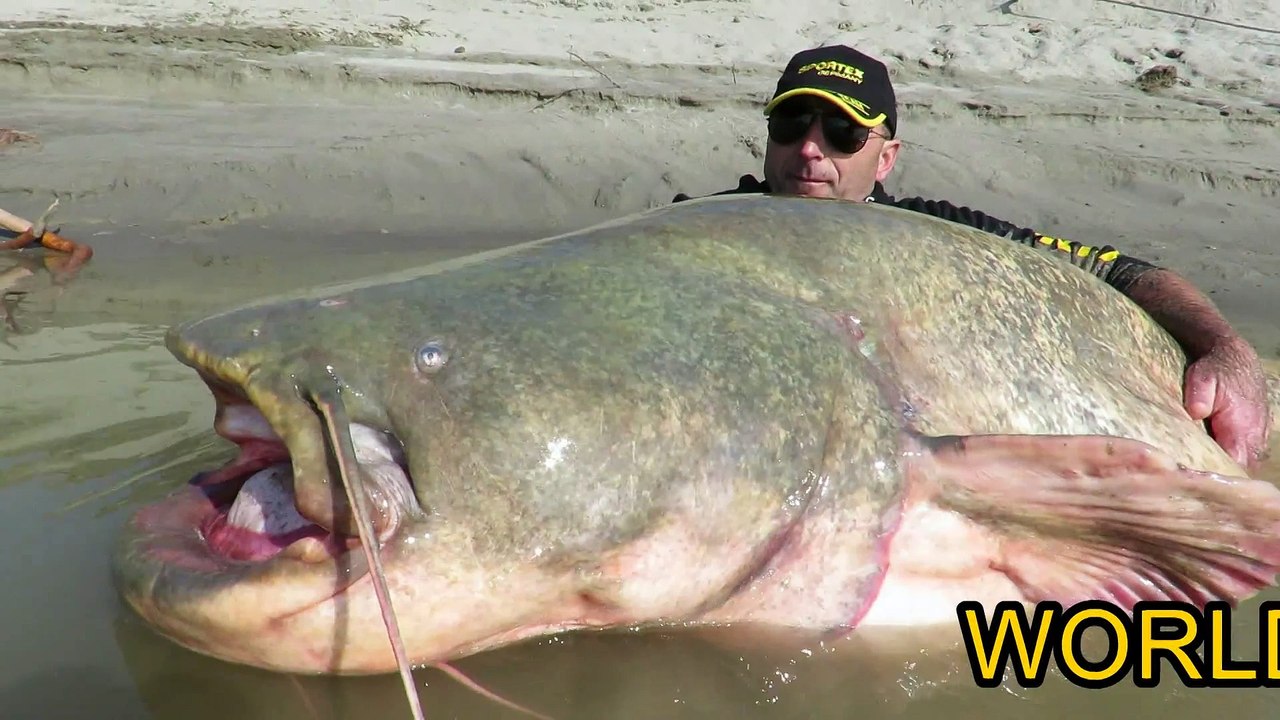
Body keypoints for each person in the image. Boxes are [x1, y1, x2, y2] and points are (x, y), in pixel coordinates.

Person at [672, 44, 1272, 470]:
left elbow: (1121, 271)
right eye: (791, 123)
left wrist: (1227, 349)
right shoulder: (690, 228)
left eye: (843, 134)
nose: (809, 149)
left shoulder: (944, 232)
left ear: (885, 158)